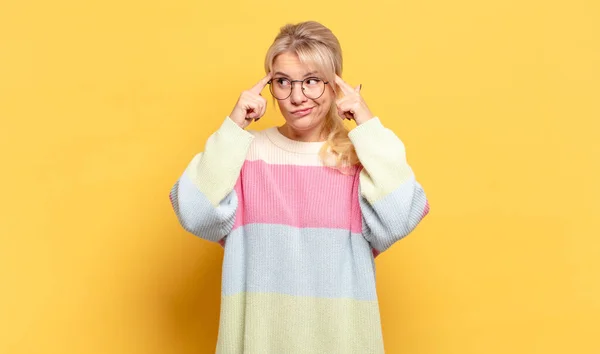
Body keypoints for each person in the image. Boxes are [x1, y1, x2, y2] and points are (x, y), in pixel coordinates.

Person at [169, 20, 430, 354]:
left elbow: (400, 216)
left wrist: (368, 125)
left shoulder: (358, 157)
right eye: (283, 82)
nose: (296, 97)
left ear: (336, 84)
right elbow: (194, 212)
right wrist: (233, 128)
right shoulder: (244, 152)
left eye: (311, 81)